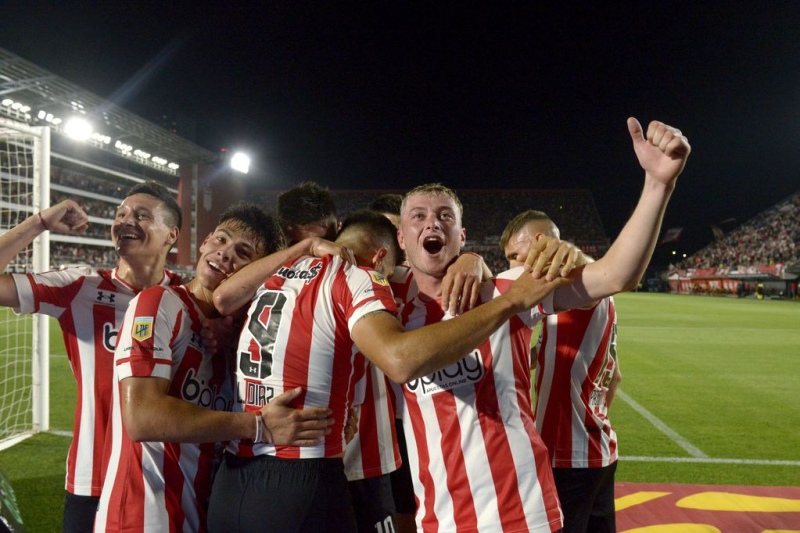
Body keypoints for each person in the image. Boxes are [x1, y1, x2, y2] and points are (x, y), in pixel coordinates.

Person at [390, 117, 690, 532]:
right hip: (438, 518)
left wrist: (658, 186)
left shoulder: (507, 287)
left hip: (520, 513)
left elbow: (615, 276)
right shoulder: (382, 303)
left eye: (444, 216)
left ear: (462, 236)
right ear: (402, 238)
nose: (432, 223)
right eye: (418, 216)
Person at [206, 209, 566, 532]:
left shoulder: (283, 269)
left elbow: (222, 298)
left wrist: (306, 246)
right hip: (301, 473)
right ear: (381, 257)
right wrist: (509, 302)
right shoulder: (361, 277)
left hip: (233, 478)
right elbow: (399, 361)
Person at [94, 203, 335, 532]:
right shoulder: (157, 303)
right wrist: (258, 426)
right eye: (221, 240)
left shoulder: (245, 342)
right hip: (146, 516)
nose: (224, 254)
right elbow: (142, 417)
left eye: (242, 253)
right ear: (204, 242)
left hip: (209, 513)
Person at [0, 180, 182, 532]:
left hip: (169, 474)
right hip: (93, 478)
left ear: (171, 235)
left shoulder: (191, 300)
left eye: (142, 215)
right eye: (121, 213)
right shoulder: (79, 286)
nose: (126, 221)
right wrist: (40, 222)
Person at [501, 209, 622, 533]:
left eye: (514, 256)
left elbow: (589, 270)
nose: (511, 268)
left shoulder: (574, 284)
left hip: (568, 458)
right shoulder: (559, 299)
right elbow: (616, 377)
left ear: (540, 242)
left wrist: (571, 254)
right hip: (600, 451)